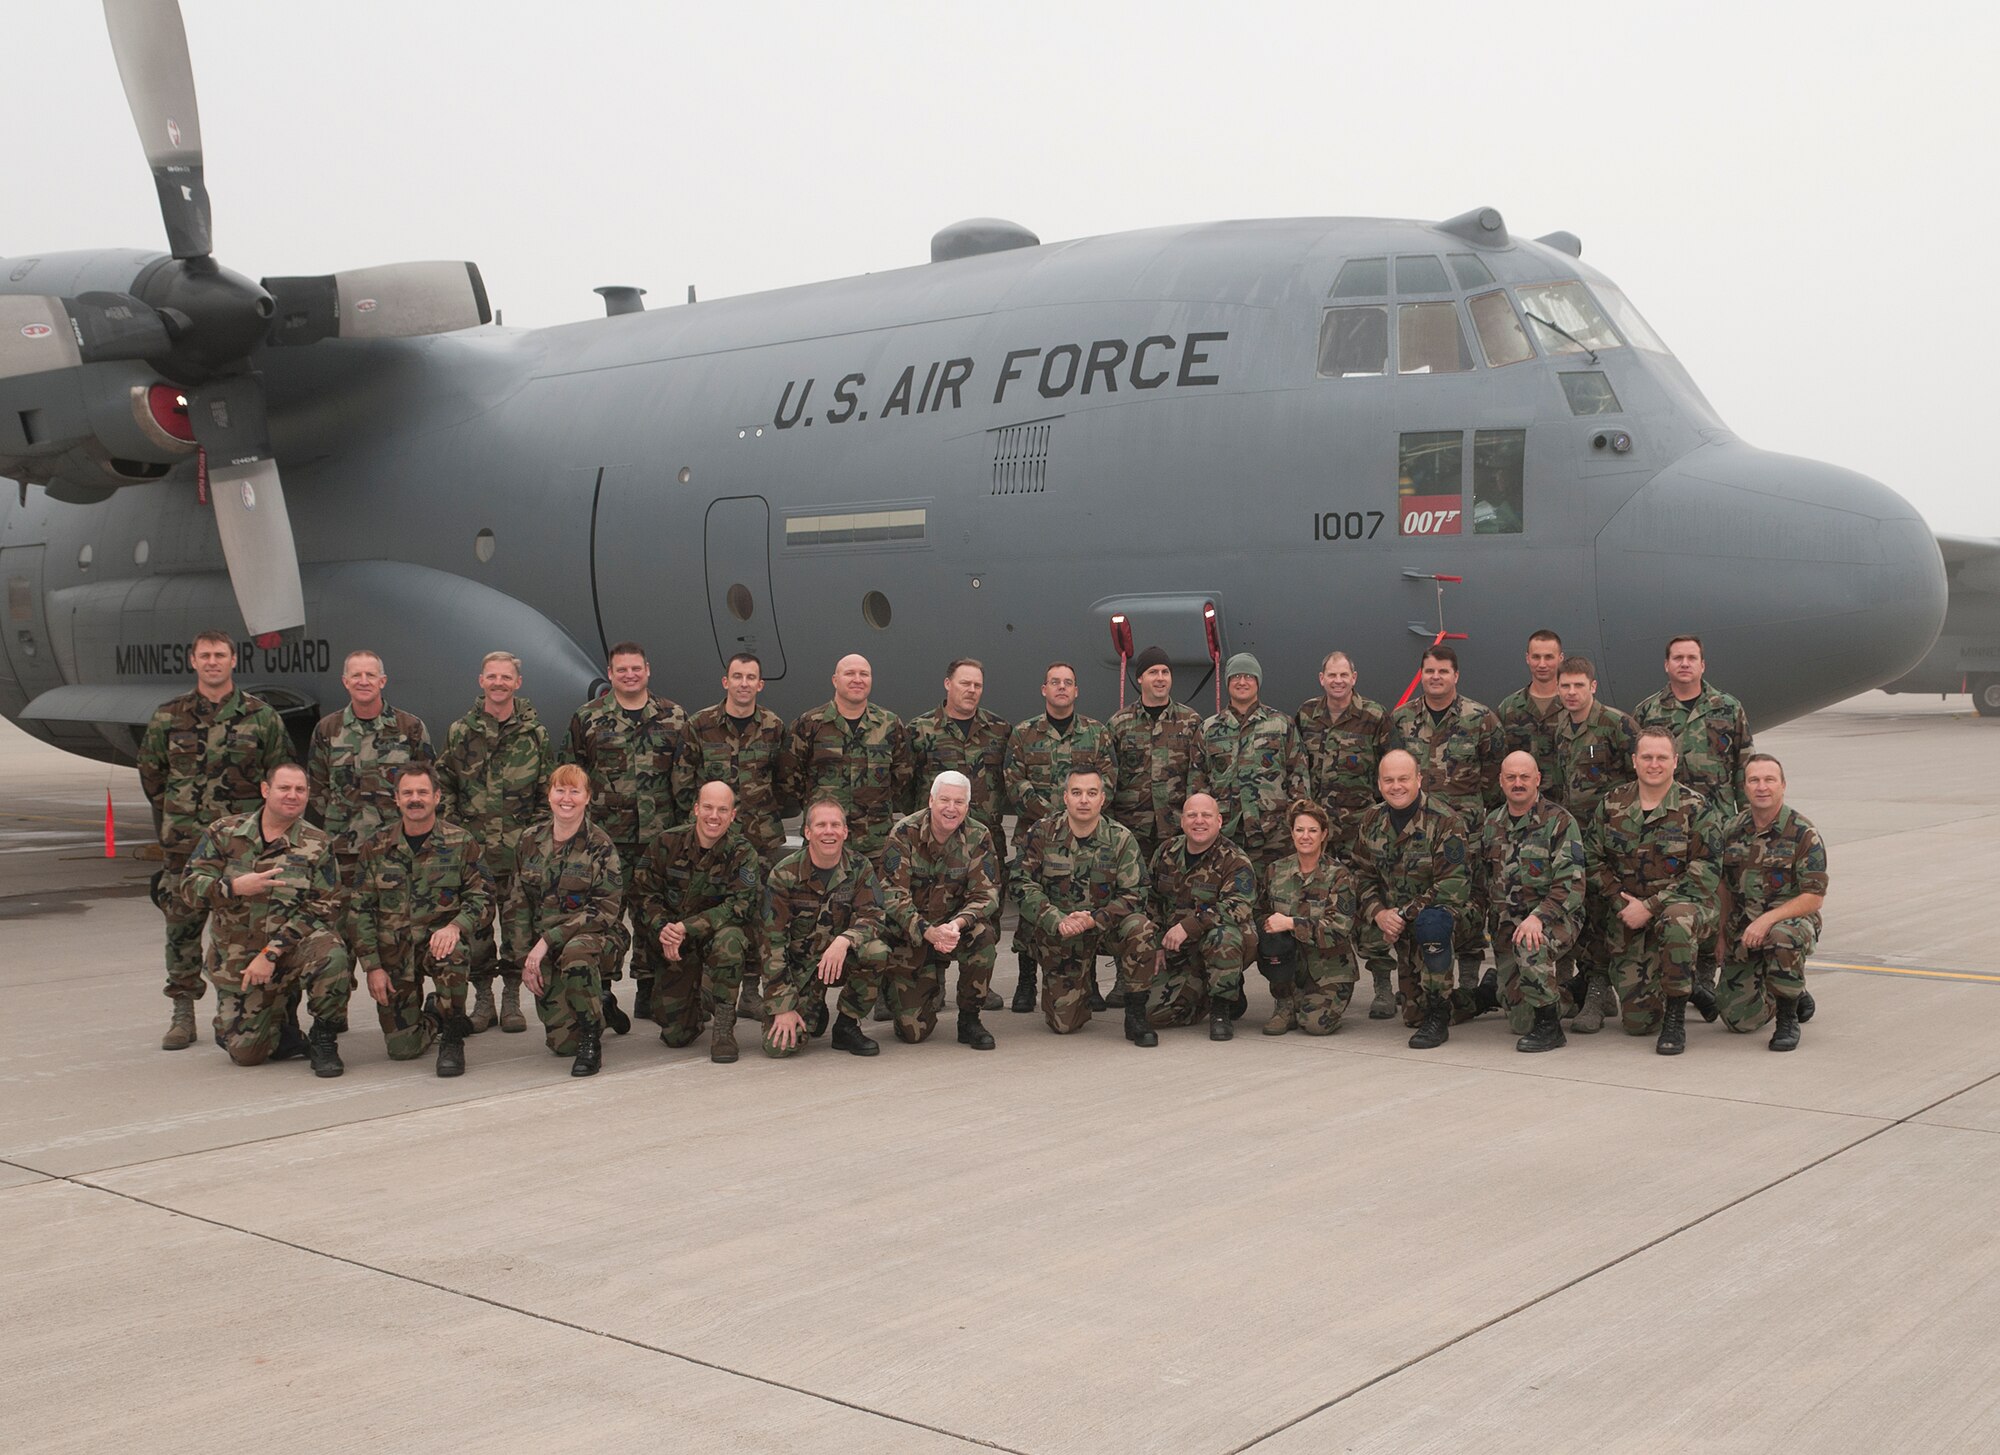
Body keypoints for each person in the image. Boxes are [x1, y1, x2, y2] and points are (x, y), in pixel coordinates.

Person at [137, 630, 291, 1051]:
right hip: (186, 847)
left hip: (244, 848)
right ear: (193, 661)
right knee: (182, 927)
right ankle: (183, 1011)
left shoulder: (261, 717)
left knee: (249, 929)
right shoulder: (168, 717)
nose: (212, 662)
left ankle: (252, 1007)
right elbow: (152, 776)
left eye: (219, 655)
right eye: (204, 655)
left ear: (233, 661)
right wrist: (182, 815)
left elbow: (281, 779)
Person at [177, 762, 351, 1075]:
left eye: (300, 790)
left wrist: (272, 952)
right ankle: (279, 1021)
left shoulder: (318, 843)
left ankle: (323, 1037)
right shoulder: (224, 833)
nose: (292, 796)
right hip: (240, 957)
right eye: (284, 788)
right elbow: (189, 888)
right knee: (247, 1054)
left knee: (332, 953)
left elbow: (325, 905)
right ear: (265, 790)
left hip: (288, 950)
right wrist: (232, 886)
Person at [564, 641, 687, 1035]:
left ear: (648, 670)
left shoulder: (674, 717)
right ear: (610, 673)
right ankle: (601, 991)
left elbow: (685, 778)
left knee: (655, 914)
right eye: (622, 670)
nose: (630, 675)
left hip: (660, 837)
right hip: (606, 841)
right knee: (606, 917)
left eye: (636, 668)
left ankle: (650, 989)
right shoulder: (588, 718)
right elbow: (572, 778)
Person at [436, 649, 553, 1037]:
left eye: (506, 678)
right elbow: (446, 784)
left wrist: (533, 838)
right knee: (479, 932)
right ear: (481, 680)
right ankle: (484, 998)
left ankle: (512, 999)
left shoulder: (534, 734)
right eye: (492, 677)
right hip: (476, 856)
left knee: (519, 930)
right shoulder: (460, 732)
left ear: (517, 683)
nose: (499, 683)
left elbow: (545, 791)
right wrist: (457, 833)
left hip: (519, 854)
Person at [1587, 728, 1723, 1054]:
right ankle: (1689, 990)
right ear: (1634, 761)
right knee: (1637, 1023)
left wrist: (1651, 905)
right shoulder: (1613, 804)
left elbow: (1706, 870)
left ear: (1675, 762)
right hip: (1628, 912)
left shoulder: (1696, 808)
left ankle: (1675, 1019)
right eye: (1646, 757)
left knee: (1676, 922)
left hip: (1684, 908)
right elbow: (1592, 860)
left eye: (1662, 757)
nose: (1654, 764)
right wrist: (1622, 901)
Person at [1634, 635, 1753, 1004]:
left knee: (1714, 893)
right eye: (1677, 658)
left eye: (1692, 658)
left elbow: (1743, 767)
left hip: (1715, 819)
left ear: (1702, 665)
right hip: (1665, 823)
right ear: (1666, 665)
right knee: (1670, 894)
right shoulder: (1649, 711)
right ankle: (1663, 971)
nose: (1684, 664)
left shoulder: (1728, 708)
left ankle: (1704, 971)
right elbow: (1639, 767)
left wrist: (1744, 821)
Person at [352, 763, 490, 1076]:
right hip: (394, 955)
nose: (416, 799)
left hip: (438, 946)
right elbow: (360, 910)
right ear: (396, 799)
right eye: (408, 793)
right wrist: (372, 967)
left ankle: (452, 1035)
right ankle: (434, 1017)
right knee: (403, 1050)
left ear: (437, 797)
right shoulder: (375, 847)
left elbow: (482, 898)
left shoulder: (460, 843)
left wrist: (456, 926)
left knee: (453, 954)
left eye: (422, 792)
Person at [1350, 750, 1493, 1049]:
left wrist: (1401, 914)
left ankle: (1439, 1016)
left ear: (1419, 779)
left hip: (1450, 915)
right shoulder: (1372, 820)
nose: (1396, 786)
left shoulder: (1445, 821)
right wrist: (1379, 913)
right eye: (1388, 780)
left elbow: (1453, 887)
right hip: (1399, 920)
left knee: (1432, 921)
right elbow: (1361, 875)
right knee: (1414, 1014)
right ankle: (1484, 995)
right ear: (1379, 784)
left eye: (1403, 778)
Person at [1010, 768, 1158, 1045]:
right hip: (1061, 933)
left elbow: (1134, 893)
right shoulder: (1042, 832)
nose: (1084, 800)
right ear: (1065, 797)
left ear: (1103, 799)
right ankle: (1082, 984)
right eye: (1076, 793)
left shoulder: (1120, 838)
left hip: (1104, 929)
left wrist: (1095, 919)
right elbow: (1020, 883)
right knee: (1064, 1024)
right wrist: (1056, 919)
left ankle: (1136, 1014)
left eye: (1092, 793)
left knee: (1141, 928)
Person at [1389, 645, 1504, 989]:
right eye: (1429, 671)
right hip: (1416, 835)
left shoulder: (1481, 718)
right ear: (1421, 675)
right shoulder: (1401, 719)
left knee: (1468, 900)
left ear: (1456, 675)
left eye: (1442, 671)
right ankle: (1418, 978)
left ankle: (1469, 972)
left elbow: (1495, 780)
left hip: (1465, 832)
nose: (1435, 677)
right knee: (1419, 903)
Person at [1003, 662, 1116, 1012]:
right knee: (1030, 904)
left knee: (1088, 899)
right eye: (1055, 682)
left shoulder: (1096, 733)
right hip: (1036, 836)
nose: (1062, 688)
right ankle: (1026, 982)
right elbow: (1013, 780)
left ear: (1076, 690)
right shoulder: (1024, 733)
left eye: (1068, 682)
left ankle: (1091, 980)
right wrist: (1053, 817)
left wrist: (1079, 812)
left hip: (1086, 835)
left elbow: (1108, 781)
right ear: (1044, 689)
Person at [905, 658, 1011, 1013]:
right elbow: (904, 783)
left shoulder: (998, 729)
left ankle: (978, 985)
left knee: (984, 913)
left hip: (983, 839)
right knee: (925, 906)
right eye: (964, 683)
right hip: (932, 839)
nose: (971, 690)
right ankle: (921, 983)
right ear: (948, 684)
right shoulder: (920, 730)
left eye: (977, 685)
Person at [633, 780, 762, 1062]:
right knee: (675, 1036)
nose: (713, 816)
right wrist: (663, 929)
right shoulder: (666, 843)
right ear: (695, 809)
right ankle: (703, 995)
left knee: (730, 939)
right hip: (674, 943)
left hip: (715, 938)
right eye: (707, 807)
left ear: (733, 815)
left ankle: (725, 1025)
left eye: (722, 809)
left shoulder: (742, 853)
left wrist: (685, 928)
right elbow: (643, 893)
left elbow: (740, 906)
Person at [509, 764, 624, 1076]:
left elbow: (605, 910)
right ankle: (600, 1004)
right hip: (543, 948)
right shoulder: (529, 840)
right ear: (549, 795)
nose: (567, 798)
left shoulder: (600, 846)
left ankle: (591, 1039)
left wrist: (547, 941)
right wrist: (524, 959)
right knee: (562, 1045)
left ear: (587, 798)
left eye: (575, 791)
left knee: (576, 958)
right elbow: (516, 902)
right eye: (560, 790)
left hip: (592, 937)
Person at [1294, 648, 1391, 1016]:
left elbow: (1388, 771)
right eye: (1331, 676)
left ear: (1354, 677)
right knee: (1319, 902)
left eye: (1343, 675)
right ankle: (1322, 981)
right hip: (1319, 832)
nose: (1337, 681)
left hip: (1360, 830)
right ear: (1322, 679)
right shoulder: (1306, 715)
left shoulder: (1374, 717)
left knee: (1367, 899)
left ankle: (1382, 984)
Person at [877, 771, 1003, 1049]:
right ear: (931, 800)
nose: (951, 808)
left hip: (953, 930)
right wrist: (927, 931)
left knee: (983, 935)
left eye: (959, 802)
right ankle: (902, 985)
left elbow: (986, 894)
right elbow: (892, 895)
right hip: (912, 933)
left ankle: (969, 1019)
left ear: (967, 807)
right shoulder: (904, 832)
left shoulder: (978, 835)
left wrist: (957, 925)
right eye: (944, 800)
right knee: (913, 1033)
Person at [759, 799, 892, 1058]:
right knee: (779, 1047)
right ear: (807, 832)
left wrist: (844, 941)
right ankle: (813, 1007)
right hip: (801, 969)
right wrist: (783, 1006)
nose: (828, 831)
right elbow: (772, 944)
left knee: (876, 950)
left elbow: (874, 916)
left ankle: (847, 1024)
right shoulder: (784, 874)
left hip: (841, 959)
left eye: (835, 825)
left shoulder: (859, 867)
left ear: (845, 832)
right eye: (821, 825)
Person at [1716, 754, 1828, 1051]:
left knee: (1782, 937)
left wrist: (1766, 920)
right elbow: (1724, 886)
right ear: (1745, 787)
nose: (1761, 787)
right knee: (1737, 1021)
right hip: (1745, 926)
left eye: (1769, 780)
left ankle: (1787, 1017)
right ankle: (1787, 987)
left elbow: (1813, 897)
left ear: (1783, 786)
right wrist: (1721, 935)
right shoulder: (1731, 830)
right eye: (1754, 780)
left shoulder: (1803, 832)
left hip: (1789, 923)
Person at [1477, 752, 1586, 1052]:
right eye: (1511, 777)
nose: (1518, 783)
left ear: (1537, 779)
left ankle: (1550, 1028)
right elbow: (1484, 880)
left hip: (1555, 918)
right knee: (1520, 1022)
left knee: (1530, 943)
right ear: (1501, 781)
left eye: (1525, 777)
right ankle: (1572, 992)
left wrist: (1539, 917)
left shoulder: (1560, 821)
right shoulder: (1491, 823)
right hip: (1508, 926)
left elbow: (1572, 884)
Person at [1551, 655, 1636, 1034]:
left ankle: (1598, 992)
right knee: (1584, 913)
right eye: (1565, 686)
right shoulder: (1561, 728)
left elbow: (1644, 777)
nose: (1571, 693)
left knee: (1604, 914)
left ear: (1593, 687)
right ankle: (1596, 990)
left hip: (1612, 839)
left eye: (1578, 686)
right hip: (1577, 839)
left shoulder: (1617, 725)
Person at [306, 650, 434, 877]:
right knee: (344, 911)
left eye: (370, 675)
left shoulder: (409, 728)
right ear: (346, 682)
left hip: (397, 845)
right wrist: (341, 818)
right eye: (356, 675)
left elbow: (430, 785)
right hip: (343, 848)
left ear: (382, 681)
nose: (363, 681)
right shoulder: (327, 729)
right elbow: (316, 787)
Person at [1141, 793, 1256, 1041]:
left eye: (1206, 815)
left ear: (1219, 821)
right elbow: (1150, 900)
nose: (1199, 821)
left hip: (1219, 941)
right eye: (1192, 815)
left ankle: (1222, 1006)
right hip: (1179, 949)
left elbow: (1238, 906)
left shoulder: (1234, 859)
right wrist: (1157, 940)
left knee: (1223, 936)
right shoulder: (1166, 852)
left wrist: (1189, 926)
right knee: (1153, 1014)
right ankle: (1208, 987)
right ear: (1182, 821)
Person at [786, 653, 914, 864]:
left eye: (864, 674)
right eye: (850, 673)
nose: (857, 679)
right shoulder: (809, 725)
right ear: (835, 680)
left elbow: (902, 776)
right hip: (824, 843)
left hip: (875, 844)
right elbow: (790, 778)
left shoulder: (890, 725)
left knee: (875, 897)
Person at [673, 652, 793, 866]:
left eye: (751, 677)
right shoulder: (699, 725)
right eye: (737, 676)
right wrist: (701, 818)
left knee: (759, 896)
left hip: (760, 838)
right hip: (711, 835)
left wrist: (765, 811)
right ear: (726, 682)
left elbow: (785, 780)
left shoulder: (773, 726)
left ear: (760, 685)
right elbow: (682, 781)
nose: (744, 684)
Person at [1202, 652, 1308, 886]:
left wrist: (1295, 819)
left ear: (1257, 681)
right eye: (1236, 677)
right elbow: (1197, 780)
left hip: (1273, 832)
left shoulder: (1281, 724)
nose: (1242, 682)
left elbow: (1298, 774)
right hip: (1226, 833)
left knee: (1275, 893)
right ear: (1228, 682)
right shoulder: (1209, 729)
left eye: (1248, 676)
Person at [1260, 800, 1360, 1036]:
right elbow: (1260, 912)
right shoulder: (1275, 871)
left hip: (1329, 969)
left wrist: (1291, 923)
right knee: (1271, 937)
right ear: (1292, 833)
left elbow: (1338, 928)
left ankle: (1314, 1004)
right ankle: (1285, 1002)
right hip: (1290, 965)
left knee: (1315, 1025)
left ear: (1324, 834)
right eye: (1300, 830)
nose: (1306, 836)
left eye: (1313, 830)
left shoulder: (1339, 876)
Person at [1108, 646, 1209, 868]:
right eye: (1153, 672)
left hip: (1176, 828)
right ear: (1140, 678)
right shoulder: (1119, 723)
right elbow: (1110, 777)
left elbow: (1199, 774)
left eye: (1165, 672)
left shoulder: (1190, 721)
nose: (1160, 678)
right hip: (1132, 830)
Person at [1495, 630, 1567, 787]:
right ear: (1527, 658)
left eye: (1549, 657)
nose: (1542, 664)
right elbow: (1496, 760)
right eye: (1536, 657)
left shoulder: (1572, 705)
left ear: (1560, 658)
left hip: (1566, 805)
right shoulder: (1509, 708)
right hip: (1523, 802)